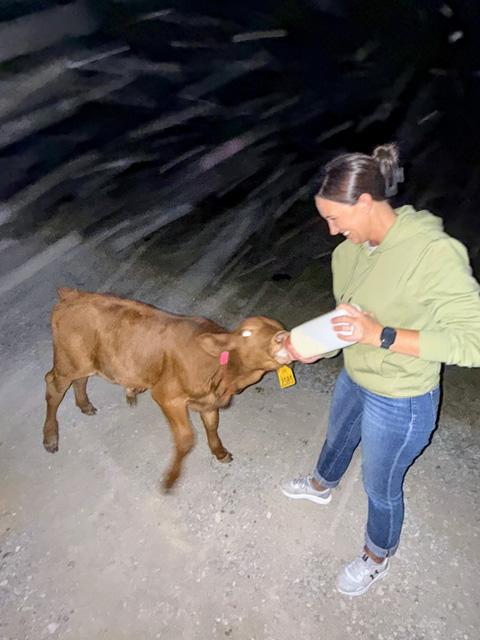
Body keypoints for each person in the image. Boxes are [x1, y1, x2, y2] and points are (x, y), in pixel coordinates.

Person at [281, 143, 480, 597]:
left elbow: (474, 342)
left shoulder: (433, 253)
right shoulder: (346, 254)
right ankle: (321, 485)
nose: (331, 231)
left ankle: (376, 555)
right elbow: (348, 323)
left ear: (366, 202)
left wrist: (381, 336)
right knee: (336, 436)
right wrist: (314, 346)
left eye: (336, 218)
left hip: (402, 396)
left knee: (380, 483)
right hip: (356, 375)